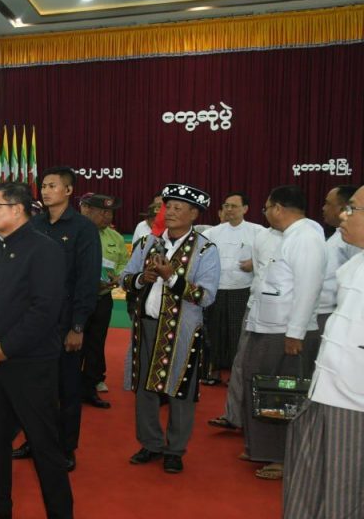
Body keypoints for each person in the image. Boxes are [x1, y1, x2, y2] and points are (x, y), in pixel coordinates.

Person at [0, 182, 75, 519]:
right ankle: (0, 505)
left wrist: (6, 348)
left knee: (44, 445)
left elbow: (45, 310)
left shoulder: (44, 250)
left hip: (30, 365)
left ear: (18, 209)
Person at [276, 184, 364, 519]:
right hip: (331, 394)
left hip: (356, 403)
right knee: (329, 494)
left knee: (352, 498)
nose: (344, 216)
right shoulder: (356, 263)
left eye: (354, 209)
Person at [119, 184, 220, 474]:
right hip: (146, 326)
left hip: (183, 333)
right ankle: (151, 443)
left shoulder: (206, 249)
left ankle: (175, 450)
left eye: (178, 208)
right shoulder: (146, 243)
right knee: (144, 389)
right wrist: (142, 278)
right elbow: (125, 279)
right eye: (168, 207)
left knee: (180, 390)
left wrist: (171, 277)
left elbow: (206, 296)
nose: (170, 212)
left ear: (194, 214)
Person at [17, 167, 101, 470]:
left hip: (65, 323)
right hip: (33, 323)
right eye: (43, 185)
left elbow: (87, 280)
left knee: (66, 388)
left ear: (68, 190)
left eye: (52, 186)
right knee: (34, 388)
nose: (45, 190)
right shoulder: (34, 224)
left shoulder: (83, 228)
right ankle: (35, 441)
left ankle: (66, 447)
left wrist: (78, 326)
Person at [240, 185, 326, 480]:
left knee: (282, 393)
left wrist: (295, 333)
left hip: (285, 332)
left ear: (278, 208)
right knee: (257, 384)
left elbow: (308, 289)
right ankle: (261, 448)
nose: (265, 214)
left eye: (266, 208)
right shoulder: (288, 236)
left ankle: (282, 456)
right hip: (266, 325)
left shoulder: (306, 237)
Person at [208, 224, 283, 431]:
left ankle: (260, 422)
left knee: (265, 368)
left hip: (279, 316)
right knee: (241, 362)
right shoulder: (264, 235)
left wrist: (296, 329)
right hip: (254, 305)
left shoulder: (303, 237)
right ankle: (235, 416)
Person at [201, 193, 264, 385]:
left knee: (237, 332)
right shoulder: (212, 233)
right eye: (226, 205)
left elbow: (271, 257)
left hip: (242, 289)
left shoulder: (258, 232)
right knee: (214, 331)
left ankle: (235, 374)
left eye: (234, 206)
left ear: (245, 209)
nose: (229, 209)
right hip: (217, 289)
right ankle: (212, 371)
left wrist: (254, 263)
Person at [78, 193, 127, 408]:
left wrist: (118, 277)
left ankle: (90, 389)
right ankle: (68, 389)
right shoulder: (74, 232)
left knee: (95, 345)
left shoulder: (115, 237)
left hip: (103, 298)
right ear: (87, 210)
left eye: (111, 213)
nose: (108, 216)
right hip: (77, 299)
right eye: (103, 212)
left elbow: (123, 263)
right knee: (73, 346)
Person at [316, 185, 362, 333]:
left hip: (336, 312)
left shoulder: (353, 239)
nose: (323, 208)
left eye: (328, 204)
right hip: (326, 311)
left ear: (343, 207)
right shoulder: (338, 235)